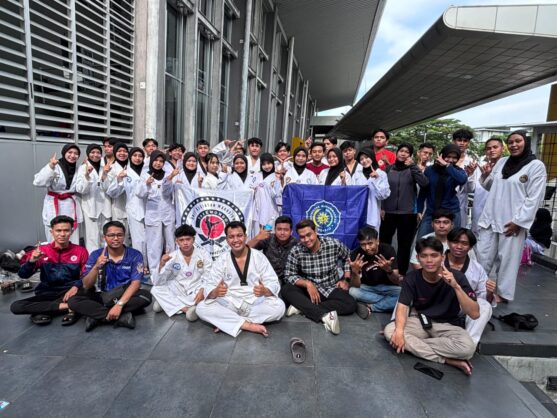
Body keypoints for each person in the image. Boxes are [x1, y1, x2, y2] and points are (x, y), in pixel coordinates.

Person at [384, 237, 479, 376]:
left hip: (448, 325)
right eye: (424, 256)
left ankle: (415, 345)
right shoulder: (412, 277)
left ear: (443, 257)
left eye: (434, 255)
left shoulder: (457, 277)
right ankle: (446, 359)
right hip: (420, 321)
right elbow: (402, 306)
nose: (429, 260)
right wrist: (399, 332)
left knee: (468, 349)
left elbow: (475, 314)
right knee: (390, 331)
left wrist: (456, 286)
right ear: (418, 258)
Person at [476, 130, 547, 302]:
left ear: (526, 142)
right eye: (511, 142)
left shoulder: (536, 166)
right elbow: (492, 186)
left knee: (508, 260)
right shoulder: (502, 162)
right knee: (482, 256)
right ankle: (477, 287)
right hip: (490, 217)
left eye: (518, 141)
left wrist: (519, 222)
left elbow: (534, 198)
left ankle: (503, 294)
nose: (514, 145)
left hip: (512, 222)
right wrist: (485, 176)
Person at [196, 221, 285, 337]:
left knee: (279, 307)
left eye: (239, 235)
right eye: (231, 237)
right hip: (230, 302)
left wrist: (265, 290)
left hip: (254, 302)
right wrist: (215, 292)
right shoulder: (222, 259)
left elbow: (272, 281)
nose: (236, 240)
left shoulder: (259, 257)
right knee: (201, 308)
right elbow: (210, 284)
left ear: (245, 236)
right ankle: (247, 325)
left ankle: (228, 322)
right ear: (227, 240)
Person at [68, 221, 151, 331]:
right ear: (104, 237)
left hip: (123, 294)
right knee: (73, 301)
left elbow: (136, 283)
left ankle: (96, 316)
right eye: (111, 235)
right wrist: (96, 266)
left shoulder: (135, 254)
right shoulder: (96, 255)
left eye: (119, 235)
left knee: (146, 296)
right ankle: (120, 317)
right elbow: (86, 285)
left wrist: (119, 305)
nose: (116, 238)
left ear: (124, 236)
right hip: (101, 295)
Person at [281, 219, 357, 335]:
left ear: (315, 231)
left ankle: (301, 307)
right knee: (286, 289)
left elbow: (349, 257)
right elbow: (288, 275)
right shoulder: (296, 250)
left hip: (331, 288)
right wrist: (307, 284)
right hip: (309, 291)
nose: (306, 240)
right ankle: (324, 316)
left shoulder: (333, 244)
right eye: (302, 237)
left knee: (351, 304)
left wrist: (346, 279)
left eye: (309, 235)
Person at [11, 215, 88, 326]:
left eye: (66, 230)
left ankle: (44, 310)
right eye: (58, 230)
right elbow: (23, 275)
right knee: (16, 306)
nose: (62, 234)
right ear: (52, 232)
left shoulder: (80, 251)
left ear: (72, 231)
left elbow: (87, 274)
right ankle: (69, 308)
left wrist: (76, 286)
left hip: (70, 292)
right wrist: (32, 261)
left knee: (88, 293)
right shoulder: (42, 251)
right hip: (47, 292)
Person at [380, 143, 428, 274]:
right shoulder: (388, 169)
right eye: (401, 151)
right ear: (397, 153)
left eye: (407, 152)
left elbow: (424, 183)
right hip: (388, 212)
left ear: (410, 155)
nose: (403, 153)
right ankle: (383, 270)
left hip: (408, 213)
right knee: (384, 243)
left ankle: (401, 272)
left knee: (404, 245)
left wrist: (413, 166)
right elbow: (382, 189)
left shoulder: (413, 169)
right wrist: (382, 207)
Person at [445, 228, 495, 345]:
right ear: (448, 242)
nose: (459, 246)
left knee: (485, 306)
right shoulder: (437, 261)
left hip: (463, 308)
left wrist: (490, 293)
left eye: (464, 243)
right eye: (455, 242)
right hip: (437, 305)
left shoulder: (477, 268)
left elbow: (482, 298)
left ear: (471, 247)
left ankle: (469, 343)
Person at [151, 225, 212, 319]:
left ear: (193, 239)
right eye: (181, 240)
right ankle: (186, 309)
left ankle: (168, 304)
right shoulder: (172, 257)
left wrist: (203, 289)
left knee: (211, 292)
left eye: (188, 239)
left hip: (197, 288)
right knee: (156, 289)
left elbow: (209, 275)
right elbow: (158, 282)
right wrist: (162, 264)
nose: (185, 243)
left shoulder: (203, 254)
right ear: (177, 242)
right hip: (179, 288)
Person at [106, 147, 148, 272]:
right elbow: (112, 192)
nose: (137, 158)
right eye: (135, 155)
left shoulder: (147, 171)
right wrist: (119, 179)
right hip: (134, 209)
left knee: (150, 240)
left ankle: (148, 265)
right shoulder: (126, 172)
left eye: (140, 156)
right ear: (130, 157)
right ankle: (140, 266)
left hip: (150, 209)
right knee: (138, 240)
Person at [137, 150, 176, 276]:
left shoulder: (168, 174)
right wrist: (146, 184)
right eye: (156, 160)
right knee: (154, 244)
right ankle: (154, 271)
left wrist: (169, 180)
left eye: (161, 161)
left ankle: (170, 270)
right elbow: (139, 194)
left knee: (171, 242)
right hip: (153, 213)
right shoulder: (145, 175)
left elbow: (168, 193)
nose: (158, 163)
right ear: (151, 161)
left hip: (168, 212)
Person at [34, 143, 83, 243]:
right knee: (54, 232)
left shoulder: (78, 169)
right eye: (70, 152)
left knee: (71, 233)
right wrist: (50, 166)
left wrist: (86, 171)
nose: (73, 155)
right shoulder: (55, 166)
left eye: (76, 153)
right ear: (64, 153)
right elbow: (38, 182)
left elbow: (80, 187)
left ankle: (72, 253)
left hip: (70, 205)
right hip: (54, 203)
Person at [349, 227, 401, 319]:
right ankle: (389, 302)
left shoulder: (388, 250)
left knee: (407, 294)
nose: (367, 248)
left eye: (370, 243)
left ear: (377, 241)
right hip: (367, 288)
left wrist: (389, 270)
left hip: (388, 287)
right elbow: (355, 286)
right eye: (363, 244)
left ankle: (371, 307)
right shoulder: (356, 255)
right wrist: (355, 272)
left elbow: (396, 281)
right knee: (352, 291)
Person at [417, 144, 467, 238]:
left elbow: (462, 180)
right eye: (448, 156)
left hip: (451, 211)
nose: (451, 160)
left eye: (454, 158)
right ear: (442, 155)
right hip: (432, 211)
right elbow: (423, 190)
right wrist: (419, 209)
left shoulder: (456, 171)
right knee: (422, 240)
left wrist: (447, 166)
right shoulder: (430, 170)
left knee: (453, 240)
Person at [75, 144, 112, 251]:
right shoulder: (82, 168)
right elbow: (80, 189)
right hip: (91, 207)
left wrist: (104, 175)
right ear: (88, 154)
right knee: (92, 238)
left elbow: (108, 189)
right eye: (92, 152)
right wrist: (87, 176)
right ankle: (94, 260)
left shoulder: (104, 167)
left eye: (98, 152)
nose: (95, 155)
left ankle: (106, 258)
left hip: (105, 208)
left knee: (106, 237)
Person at [247, 216, 298, 283]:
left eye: (286, 230)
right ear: (275, 230)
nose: (282, 233)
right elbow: (246, 249)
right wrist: (257, 238)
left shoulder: (296, 243)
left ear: (291, 231)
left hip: (288, 280)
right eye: (279, 229)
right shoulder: (268, 238)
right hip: (268, 278)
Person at [470, 137, 504, 236]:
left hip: (498, 214)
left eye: (495, 147)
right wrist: (470, 174)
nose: (492, 150)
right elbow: (472, 188)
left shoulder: (507, 168)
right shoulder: (479, 167)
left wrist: (488, 176)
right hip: (479, 212)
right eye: (488, 148)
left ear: (502, 149)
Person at [352, 147, 390, 230]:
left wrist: (377, 179)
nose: (364, 161)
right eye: (361, 159)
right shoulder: (357, 174)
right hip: (358, 215)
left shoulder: (381, 174)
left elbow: (383, 196)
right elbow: (352, 194)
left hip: (373, 216)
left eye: (366, 157)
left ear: (372, 156)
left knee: (372, 237)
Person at [452, 129, 476, 228]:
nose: (462, 143)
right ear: (454, 141)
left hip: (461, 204)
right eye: (459, 140)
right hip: (443, 205)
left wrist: (470, 175)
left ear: (468, 143)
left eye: (465, 141)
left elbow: (471, 189)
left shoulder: (471, 162)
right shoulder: (445, 160)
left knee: (457, 233)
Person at [104, 143, 129, 234]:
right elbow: (109, 190)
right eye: (119, 151)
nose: (122, 153)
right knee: (120, 233)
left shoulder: (132, 167)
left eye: (125, 151)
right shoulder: (111, 168)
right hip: (118, 205)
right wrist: (119, 179)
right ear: (115, 153)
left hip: (134, 207)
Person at [253, 153, 282, 227]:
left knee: (269, 230)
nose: (266, 166)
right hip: (257, 210)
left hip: (271, 211)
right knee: (257, 231)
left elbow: (278, 196)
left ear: (273, 163)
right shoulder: (256, 176)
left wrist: (276, 182)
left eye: (269, 163)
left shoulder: (276, 177)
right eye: (264, 164)